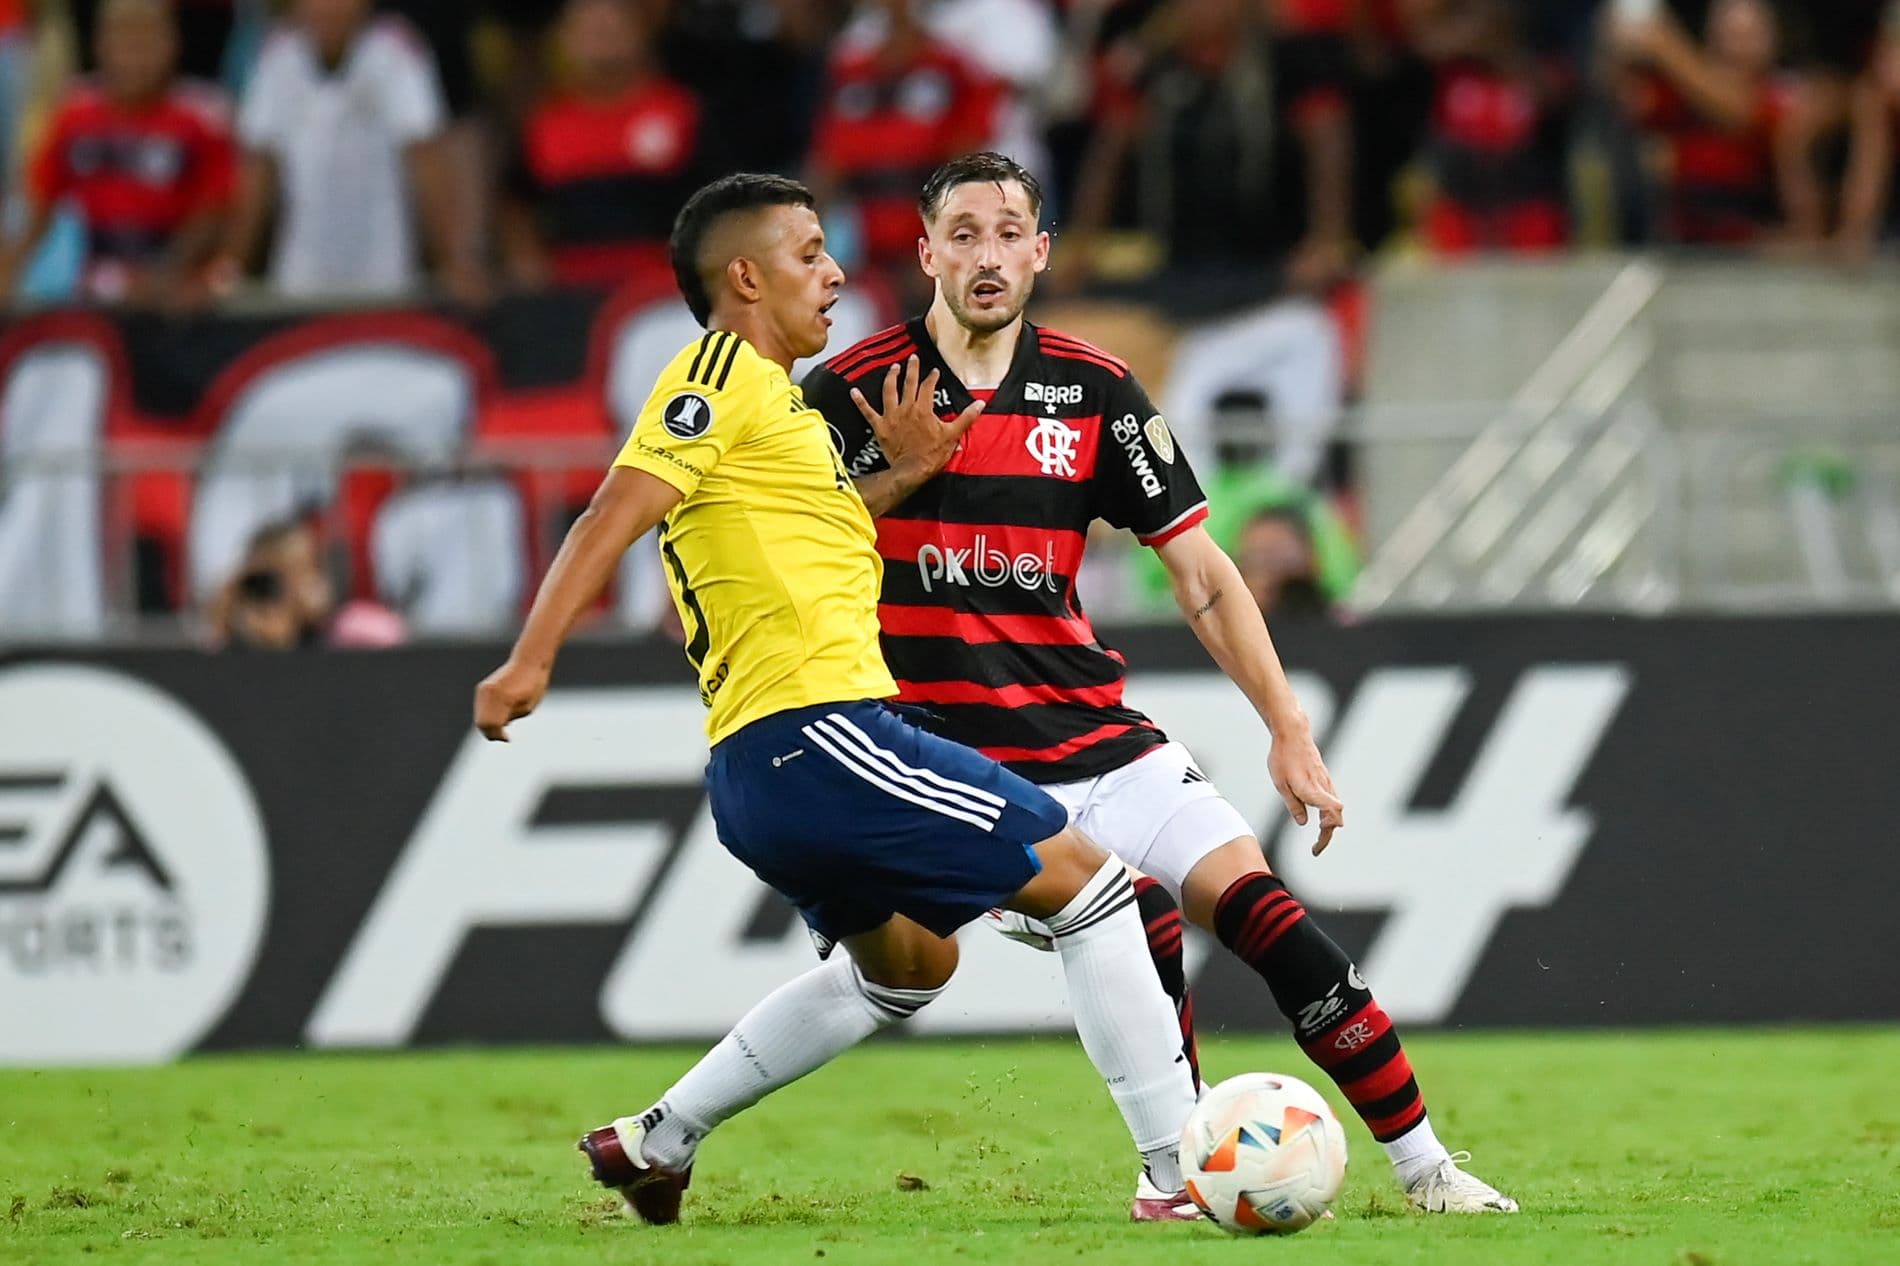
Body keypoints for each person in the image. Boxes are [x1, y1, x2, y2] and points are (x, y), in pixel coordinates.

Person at [471, 173, 1201, 1225]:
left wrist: (899, 475)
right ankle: (1180, 1175)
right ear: (745, 277)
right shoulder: (719, 372)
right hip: (822, 736)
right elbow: (609, 514)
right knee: (1095, 892)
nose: (835, 272)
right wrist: (529, 661)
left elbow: (797, 533)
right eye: (809, 252)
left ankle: (657, 1139)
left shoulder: (780, 416)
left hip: (759, 772)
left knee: (908, 968)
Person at [801, 151, 1519, 1214]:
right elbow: (782, 554)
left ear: (1042, 253)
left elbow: (1203, 576)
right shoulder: (856, 390)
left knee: (1273, 921)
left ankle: (1426, 1171)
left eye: (1008, 233)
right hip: (958, 768)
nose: (986, 255)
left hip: (1096, 734)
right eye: (962, 233)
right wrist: (893, 473)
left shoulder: (1092, 392)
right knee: (1131, 912)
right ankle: (1174, 1171)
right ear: (924, 254)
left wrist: (1287, 728)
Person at [213, 0, 484, 303]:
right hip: (301, 276)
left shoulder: (396, 51)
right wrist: (230, 265)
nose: (329, 8)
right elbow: (259, 173)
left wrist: (452, 261)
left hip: (385, 276)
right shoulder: (276, 55)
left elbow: (426, 162)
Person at [0, 0, 236, 307]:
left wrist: (167, 274)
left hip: (176, 294)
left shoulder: (201, 117)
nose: (134, 58)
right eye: (123, 42)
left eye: (146, 43)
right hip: (94, 287)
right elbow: (39, 203)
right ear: (100, 45)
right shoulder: (74, 116)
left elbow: (217, 211)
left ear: (173, 43)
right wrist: (9, 269)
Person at [499, 0, 716, 293]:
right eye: (588, 30)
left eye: (612, 27)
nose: (602, 38)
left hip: (664, 287)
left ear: (640, 33)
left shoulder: (681, 111)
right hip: (570, 290)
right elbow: (516, 205)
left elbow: (719, 200)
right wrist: (527, 260)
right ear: (564, 40)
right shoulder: (545, 124)